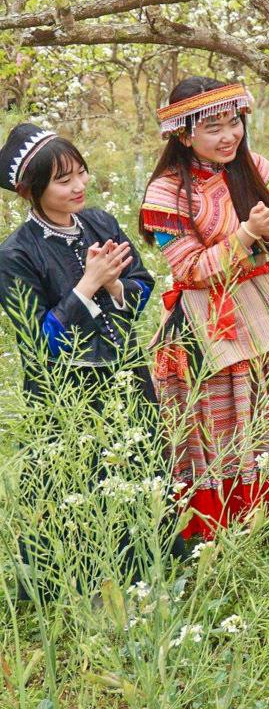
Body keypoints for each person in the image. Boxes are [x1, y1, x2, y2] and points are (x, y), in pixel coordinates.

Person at [140, 78, 269, 540]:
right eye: (213, 128)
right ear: (184, 136)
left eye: (233, 123)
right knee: (227, 419)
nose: (229, 136)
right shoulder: (166, 193)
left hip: (266, 309)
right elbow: (189, 270)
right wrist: (245, 235)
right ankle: (229, 521)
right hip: (209, 321)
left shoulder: (256, 168)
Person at [0, 123, 166, 590]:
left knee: (141, 468)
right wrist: (87, 286)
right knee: (79, 484)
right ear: (31, 189)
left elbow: (141, 283)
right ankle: (82, 585)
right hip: (67, 392)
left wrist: (115, 286)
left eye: (81, 172)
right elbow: (38, 343)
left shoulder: (100, 223)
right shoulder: (15, 254)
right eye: (63, 179)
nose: (78, 186)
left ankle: (145, 573)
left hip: (126, 372)